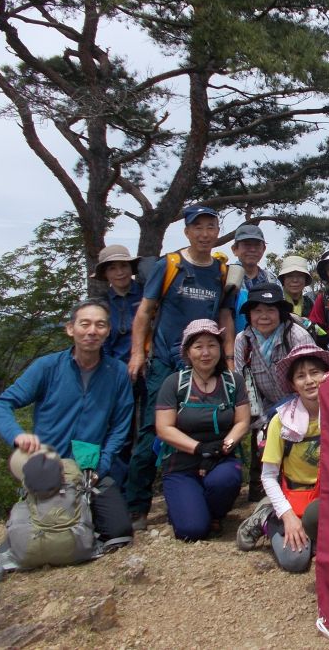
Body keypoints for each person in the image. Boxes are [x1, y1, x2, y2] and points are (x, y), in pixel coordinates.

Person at [125, 205, 236, 530]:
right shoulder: (169, 265)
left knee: (214, 424)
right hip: (166, 361)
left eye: (210, 227)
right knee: (150, 430)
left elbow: (226, 316)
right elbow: (145, 312)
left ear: (217, 231)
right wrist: (136, 353)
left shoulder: (221, 270)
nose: (204, 233)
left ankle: (208, 492)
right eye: (197, 227)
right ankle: (137, 506)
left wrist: (228, 358)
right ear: (187, 231)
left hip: (208, 361)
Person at [0, 299, 134, 545]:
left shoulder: (117, 371)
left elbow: (121, 426)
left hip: (90, 470)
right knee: (46, 536)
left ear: (107, 331)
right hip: (48, 467)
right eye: (84, 324)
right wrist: (17, 434)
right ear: (70, 329)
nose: (92, 331)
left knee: (119, 532)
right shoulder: (48, 367)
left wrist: (101, 466)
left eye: (100, 325)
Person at [236, 345, 329, 571]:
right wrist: (288, 515)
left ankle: (314, 534)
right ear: (293, 385)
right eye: (301, 376)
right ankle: (267, 517)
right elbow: (269, 475)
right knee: (295, 560)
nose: (310, 381)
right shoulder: (281, 421)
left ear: (327, 375)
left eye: (315, 373)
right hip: (294, 498)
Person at [155, 319, 250, 541]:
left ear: (220, 348)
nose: (206, 353)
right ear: (188, 352)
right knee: (192, 531)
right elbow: (164, 428)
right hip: (181, 461)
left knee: (226, 479)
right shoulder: (175, 383)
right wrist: (200, 449)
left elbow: (242, 422)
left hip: (221, 456)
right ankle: (190, 509)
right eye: (198, 346)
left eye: (212, 345)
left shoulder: (232, 381)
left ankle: (213, 512)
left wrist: (222, 448)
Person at [235, 284, 316, 500]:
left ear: (280, 312)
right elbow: (244, 383)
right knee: (262, 444)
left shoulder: (296, 335)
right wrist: (262, 419)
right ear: (249, 314)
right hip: (264, 406)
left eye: (270, 310)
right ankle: (260, 493)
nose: (264, 316)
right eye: (258, 311)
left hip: (300, 405)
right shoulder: (243, 341)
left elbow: (311, 378)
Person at [94, 243, 146, 480]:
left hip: (150, 370)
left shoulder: (147, 294)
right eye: (113, 268)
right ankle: (118, 490)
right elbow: (100, 344)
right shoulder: (102, 304)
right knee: (120, 432)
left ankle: (141, 490)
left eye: (123, 266)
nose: (120, 272)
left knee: (150, 431)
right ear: (105, 274)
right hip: (115, 375)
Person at [231, 224, 278, 332]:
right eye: (247, 245)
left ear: (264, 249)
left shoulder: (271, 280)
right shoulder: (226, 276)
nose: (252, 249)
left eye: (257, 245)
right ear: (235, 249)